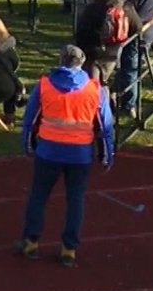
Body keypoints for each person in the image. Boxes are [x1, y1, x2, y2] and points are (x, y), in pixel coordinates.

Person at [16, 44, 115, 267]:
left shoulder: (44, 86)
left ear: (61, 60)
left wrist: (27, 145)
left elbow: (30, 120)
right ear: (82, 63)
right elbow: (106, 125)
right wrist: (107, 154)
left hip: (49, 150)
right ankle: (68, 248)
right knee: (75, 200)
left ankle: (31, 241)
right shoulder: (94, 89)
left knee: (39, 196)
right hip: (79, 153)